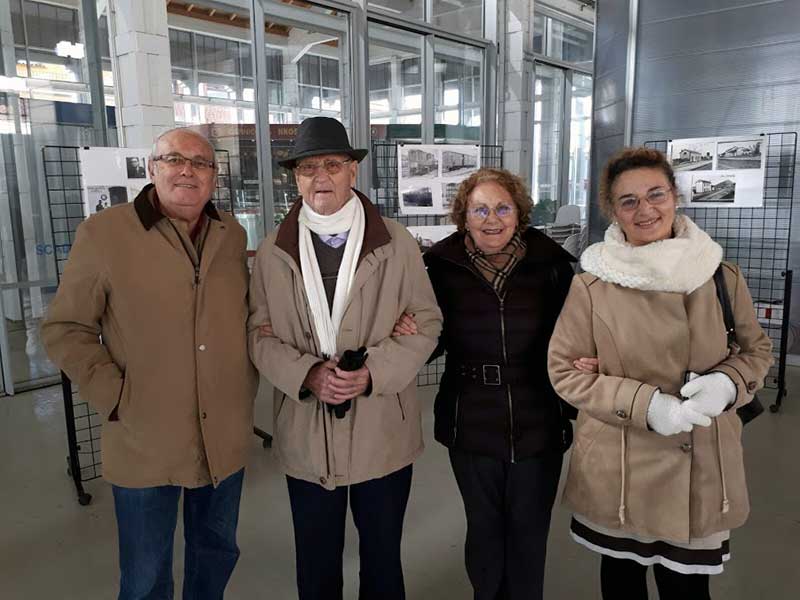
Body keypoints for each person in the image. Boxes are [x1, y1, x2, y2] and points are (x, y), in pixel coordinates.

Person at [42, 127, 258, 600]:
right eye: (174, 159)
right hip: (145, 436)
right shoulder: (104, 233)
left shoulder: (231, 233)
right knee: (145, 575)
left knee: (217, 552)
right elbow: (65, 328)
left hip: (222, 432)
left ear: (214, 176)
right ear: (152, 168)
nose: (187, 170)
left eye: (201, 163)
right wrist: (116, 396)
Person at [547, 147, 773, 599]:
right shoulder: (591, 283)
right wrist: (647, 405)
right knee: (622, 583)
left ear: (676, 197)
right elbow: (565, 371)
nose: (645, 209)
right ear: (613, 211)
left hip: (702, 460)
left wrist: (728, 383)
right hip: (620, 465)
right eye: (628, 200)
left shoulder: (720, 275)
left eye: (656, 194)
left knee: (687, 588)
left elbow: (757, 351)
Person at [248, 116, 442, 600]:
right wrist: (308, 373)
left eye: (332, 165)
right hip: (307, 436)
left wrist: (373, 371)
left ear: (353, 171)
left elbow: (428, 322)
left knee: (382, 560)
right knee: (315, 566)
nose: (320, 178)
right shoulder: (274, 251)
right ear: (294, 177)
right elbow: (257, 334)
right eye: (308, 167)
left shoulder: (395, 243)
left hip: (382, 429)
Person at [393, 168, 576, 600]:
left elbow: (575, 336)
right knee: (484, 529)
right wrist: (411, 332)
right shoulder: (440, 266)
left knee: (530, 530)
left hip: (539, 418)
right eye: (479, 209)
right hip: (470, 417)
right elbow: (434, 341)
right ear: (464, 216)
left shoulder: (551, 266)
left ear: (519, 213)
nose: (491, 219)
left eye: (502, 208)